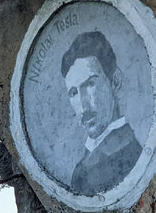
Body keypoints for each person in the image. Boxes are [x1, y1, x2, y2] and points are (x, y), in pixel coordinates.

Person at [60, 31, 143, 195]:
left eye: (90, 84)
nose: (83, 106)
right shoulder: (84, 165)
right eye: (73, 93)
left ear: (116, 81)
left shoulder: (129, 153)